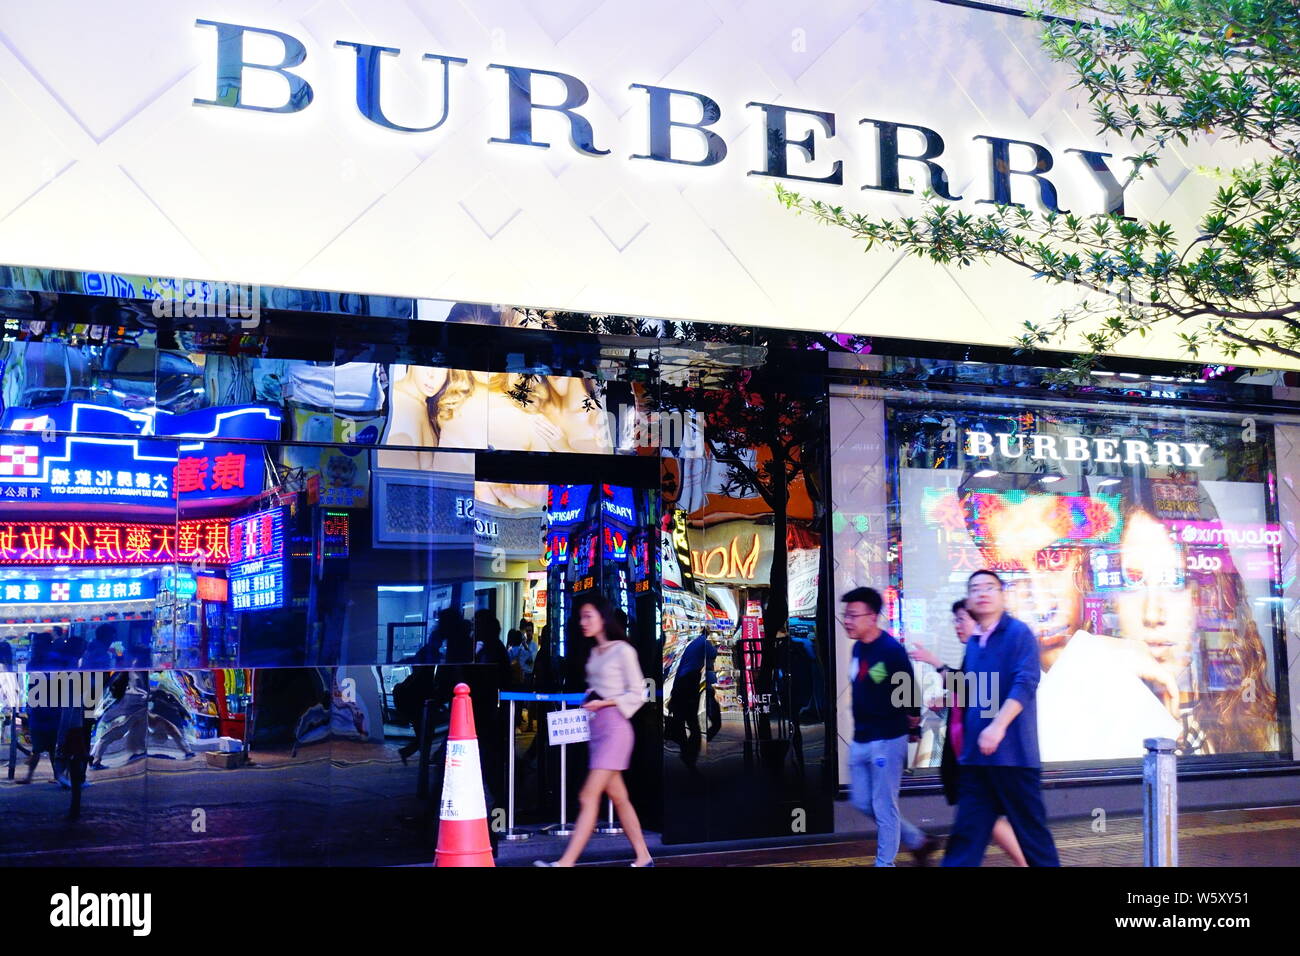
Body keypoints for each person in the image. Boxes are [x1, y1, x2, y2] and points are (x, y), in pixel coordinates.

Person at [942, 570, 1060, 867]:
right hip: (976, 762)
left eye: (989, 587)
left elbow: (1025, 682)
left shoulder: (1019, 634)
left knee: (1034, 841)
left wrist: (997, 726)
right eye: (975, 588)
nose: (982, 593)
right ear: (969, 598)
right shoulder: (974, 642)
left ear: (1002, 595)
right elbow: (973, 692)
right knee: (965, 841)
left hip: (1013, 760)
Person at [535, 594, 654, 867]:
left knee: (588, 796)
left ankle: (566, 863)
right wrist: (592, 700)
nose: (583, 622)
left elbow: (639, 692)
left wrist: (604, 702)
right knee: (620, 798)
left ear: (603, 618)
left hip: (615, 729)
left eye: (589, 616)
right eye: (581, 617)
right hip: (598, 729)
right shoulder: (594, 652)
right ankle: (644, 857)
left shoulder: (622, 650)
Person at [909, 599, 1027, 866]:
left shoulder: (987, 654)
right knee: (984, 820)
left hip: (979, 755)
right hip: (968, 754)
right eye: (955, 620)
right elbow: (970, 692)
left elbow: (979, 692)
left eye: (962, 619)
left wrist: (935, 663)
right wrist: (947, 700)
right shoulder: (974, 653)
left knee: (984, 819)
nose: (957, 625)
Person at [841, 586, 941, 866]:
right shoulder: (860, 647)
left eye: (853, 615)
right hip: (861, 739)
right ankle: (919, 841)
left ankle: (884, 863)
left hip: (887, 739)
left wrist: (912, 726)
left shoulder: (891, 651)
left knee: (884, 807)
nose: (847, 620)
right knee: (862, 801)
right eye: (845, 615)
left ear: (872, 617)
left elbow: (910, 694)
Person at [667, 630, 716, 769]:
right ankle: (690, 756)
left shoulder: (692, 644)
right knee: (693, 724)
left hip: (681, 683)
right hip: (690, 682)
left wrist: (673, 692)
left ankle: (686, 752)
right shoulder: (704, 642)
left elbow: (681, 667)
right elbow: (713, 653)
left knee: (682, 719)